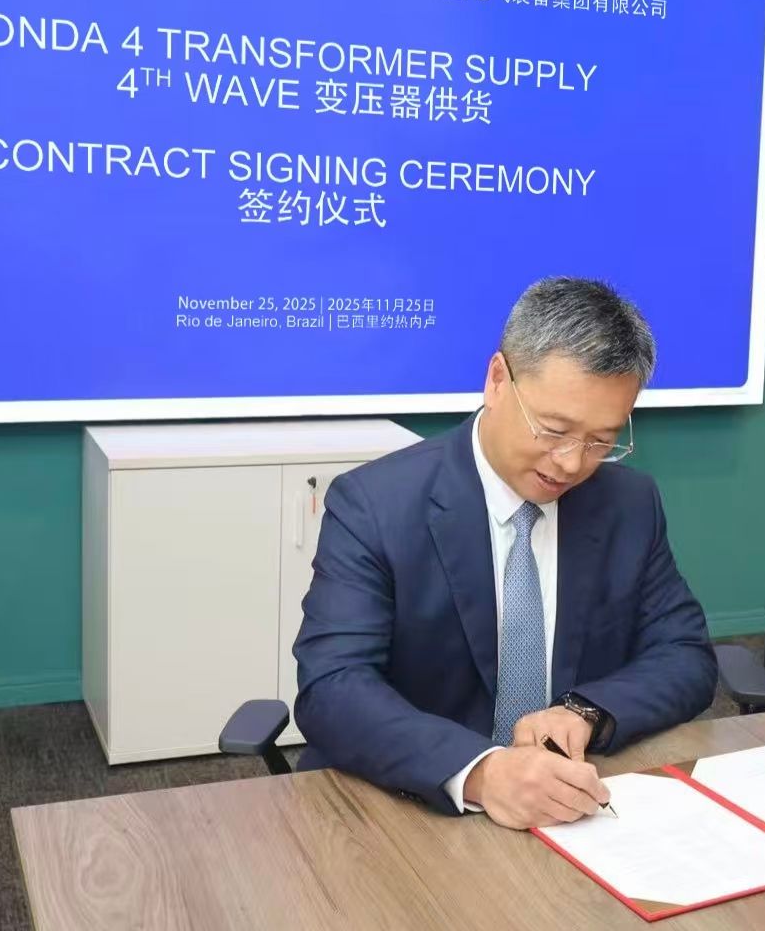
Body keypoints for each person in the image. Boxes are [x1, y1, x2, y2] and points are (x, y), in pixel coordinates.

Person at [293, 277, 717, 826]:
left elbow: (685, 655)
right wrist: (482, 771)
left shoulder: (629, 504)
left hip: (569, 804)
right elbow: (333, 687)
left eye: (601, 440)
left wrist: (585, 712)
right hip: (407, 809)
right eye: (554, 430)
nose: (572, 463)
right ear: (497, 381)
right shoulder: (375, 505)